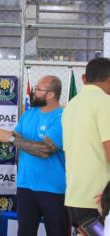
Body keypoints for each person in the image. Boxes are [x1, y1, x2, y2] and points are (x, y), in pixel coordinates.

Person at [0, 76, 69, 236]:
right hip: (25, 186)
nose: (33, 92)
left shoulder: (62, 117)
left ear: (51, 94)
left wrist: (11, 138)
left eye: (38, 89)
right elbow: (17, 137)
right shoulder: (29, 114)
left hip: (52, 189)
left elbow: (46, 149)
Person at [62, 57, 110, 229]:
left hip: (75, 196)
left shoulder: (71, 105)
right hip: (100, 199)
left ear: (85, 79)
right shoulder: (105, 102)